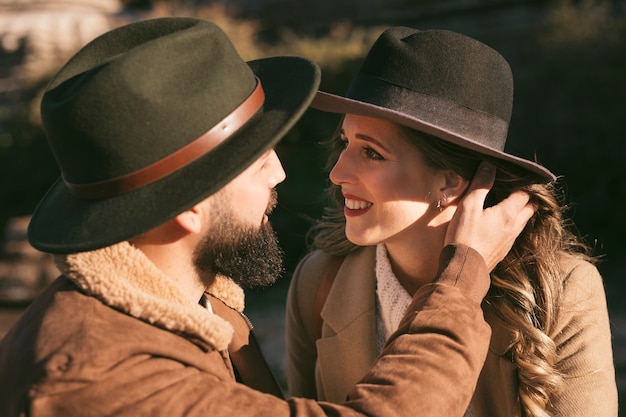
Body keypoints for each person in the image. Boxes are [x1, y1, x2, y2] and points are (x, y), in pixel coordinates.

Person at [0, 17, 537, 417]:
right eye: (256, 160)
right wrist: (460, 280)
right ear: (189, 207)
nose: (280, 173)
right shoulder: (105, 379)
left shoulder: (194, 309)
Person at [285, 26, 618, 417]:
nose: (337, 173)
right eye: (345, 143)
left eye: (372, 153)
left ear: (449, 181)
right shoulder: (318, 281)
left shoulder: (558, 290)